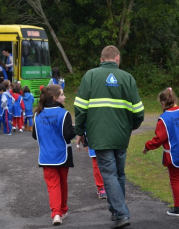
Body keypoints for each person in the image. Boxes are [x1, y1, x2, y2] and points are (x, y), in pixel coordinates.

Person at [74, 45, 144, 229]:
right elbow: (139, 112)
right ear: (118, 59)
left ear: (101, 59)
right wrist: (130, 127)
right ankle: (116, 212)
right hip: (121, 135)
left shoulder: (90, 76)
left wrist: (80, 131)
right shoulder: (127, 78)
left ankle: (121, 214)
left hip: (100, 136)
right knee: (119, 173)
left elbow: (80, 108)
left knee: (109, 174)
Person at [143, 87, 179, 217]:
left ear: (163, 103)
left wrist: (147, 146)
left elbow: (159, 139)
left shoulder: (164, 118)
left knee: (175, 179)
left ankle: (178, 207)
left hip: (174, 155)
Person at [32, 84, 76, 226]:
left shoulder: (37, 114)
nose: (64, 97)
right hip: (63, 153)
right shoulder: (64, 114)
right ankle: (61, 210)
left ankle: (57, 212)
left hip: (46, 156)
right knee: (62, 183)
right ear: (55, 97)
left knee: (53, 185)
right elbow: (68, 135)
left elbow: (35, 135)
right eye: (62, 94)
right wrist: (77, 129)